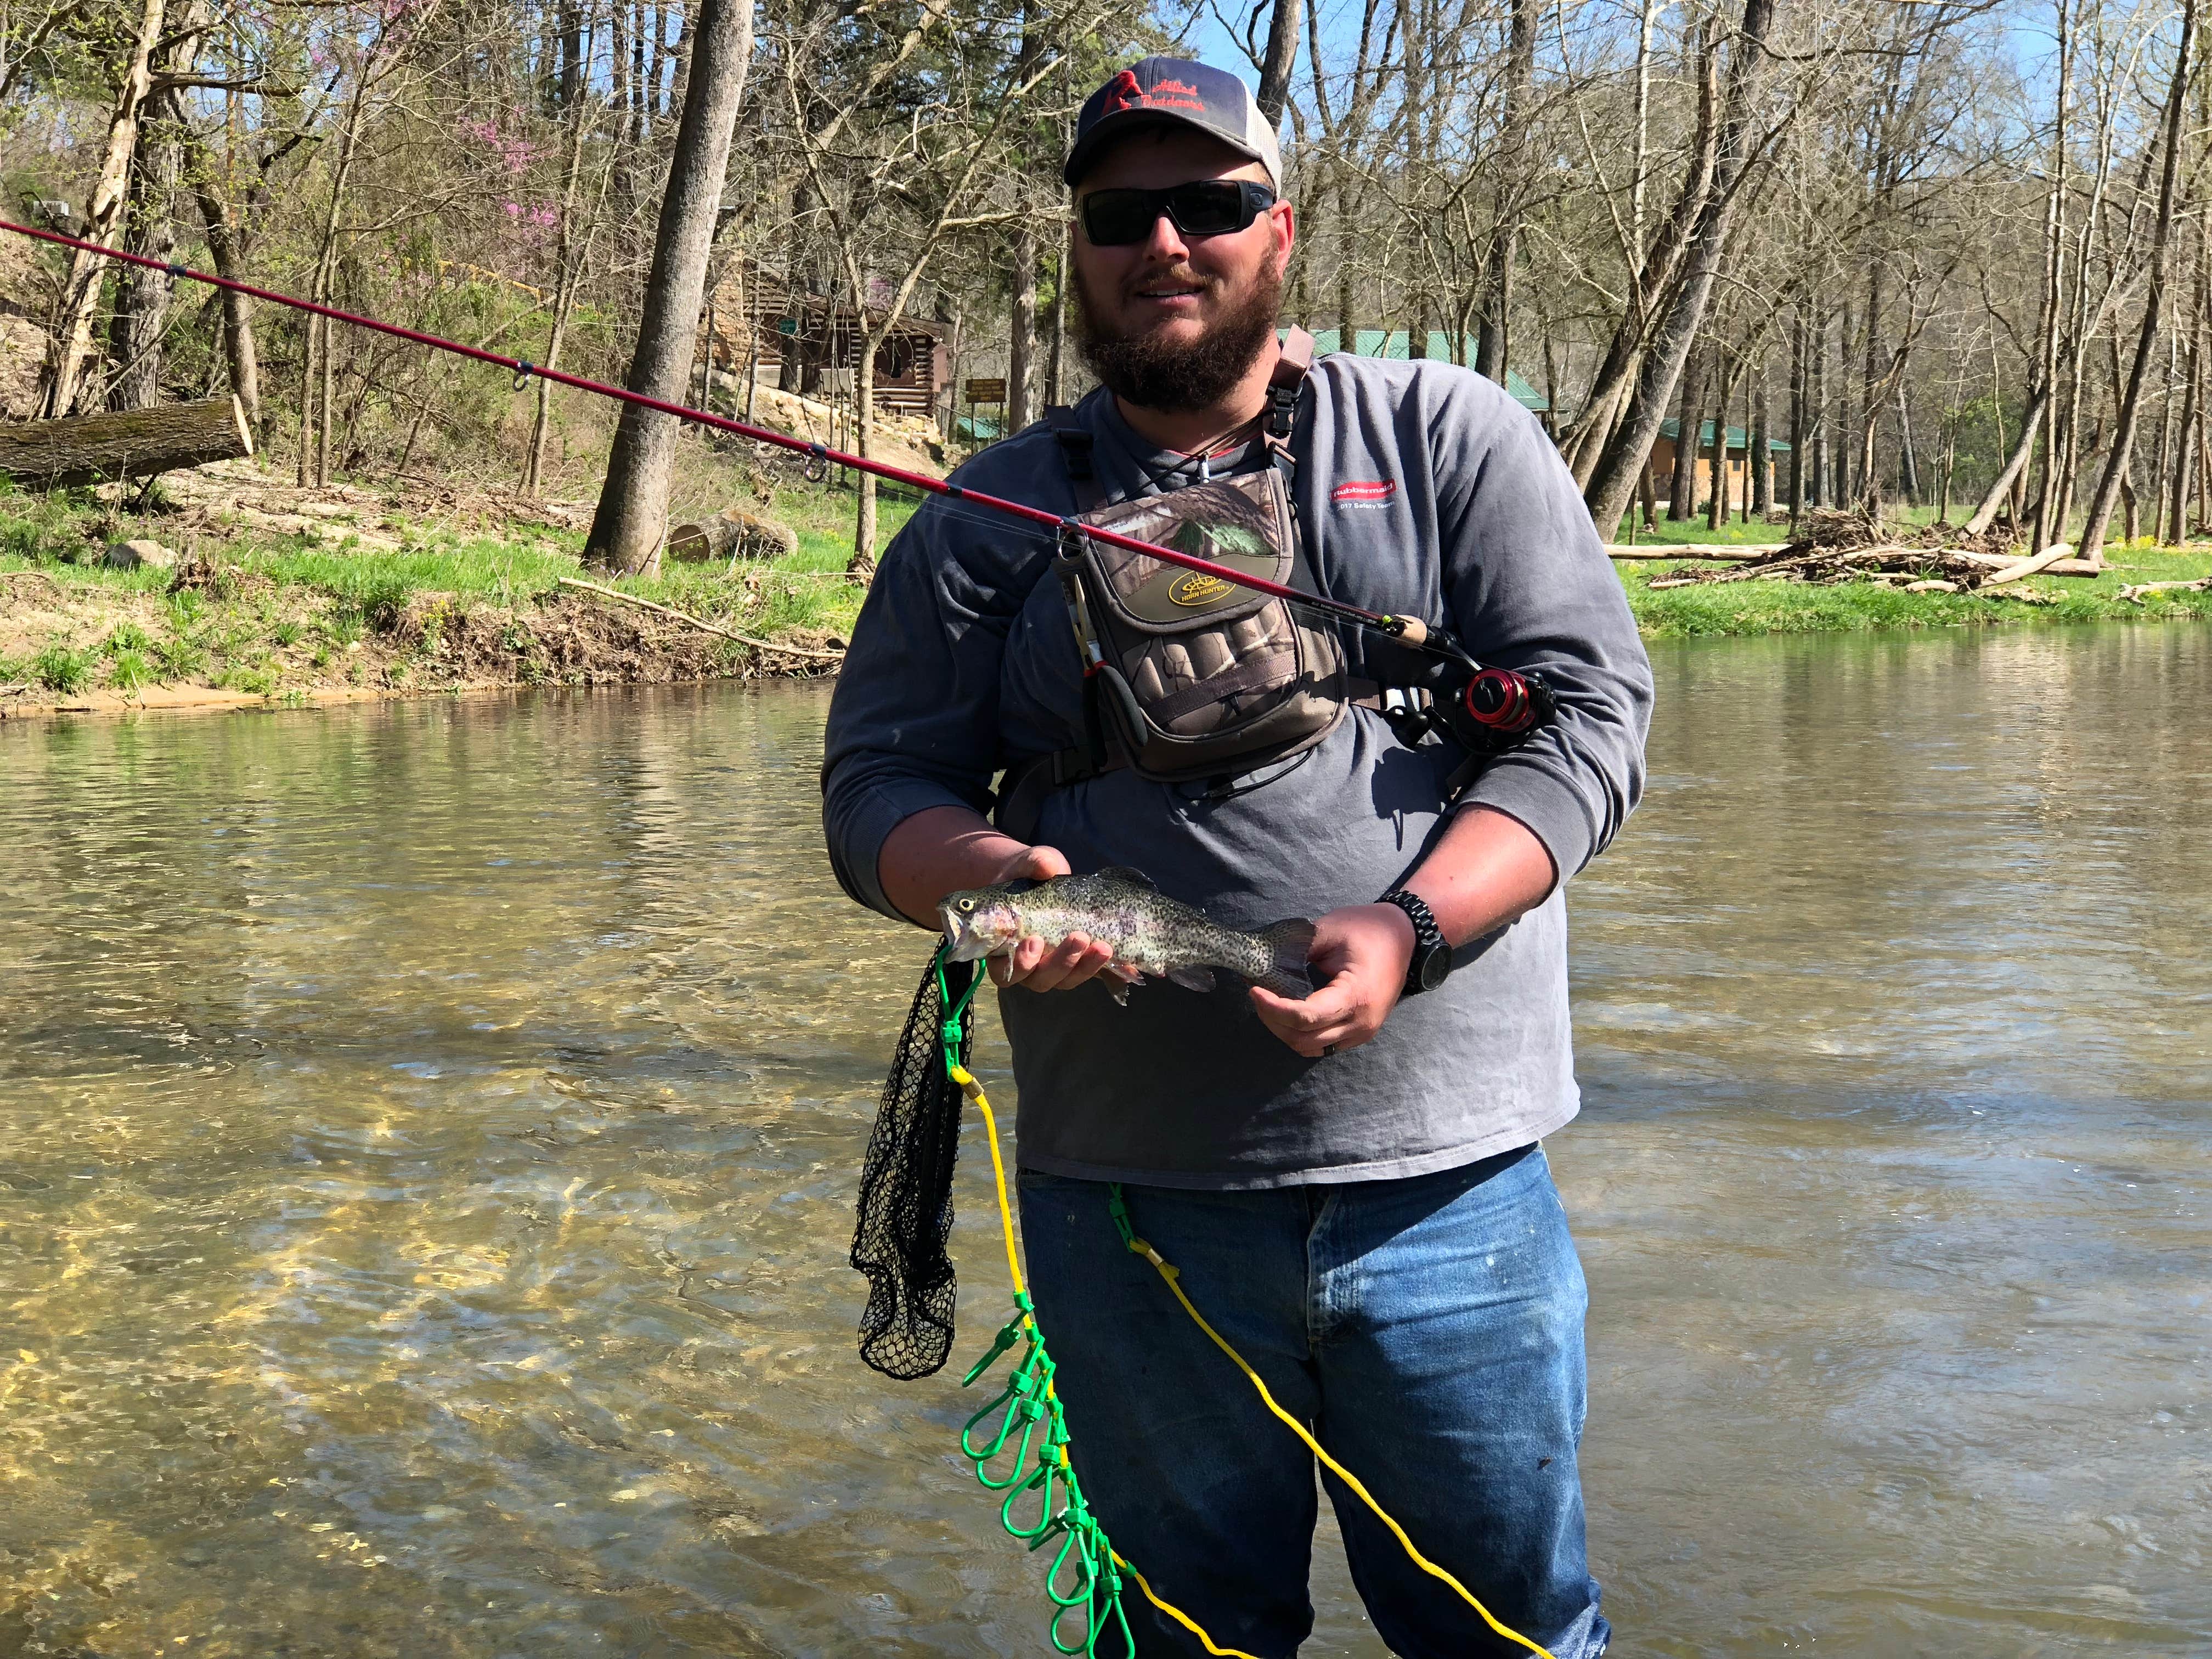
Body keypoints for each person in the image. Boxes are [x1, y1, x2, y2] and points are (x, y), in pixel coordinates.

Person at [822, 55, 1649, 1659]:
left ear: (1284, 232)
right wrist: (985, 880)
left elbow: (1592, 722)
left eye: (1211, 205)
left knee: (1515, 1633)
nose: (1167, 242)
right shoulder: (981, 520)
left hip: (1451, 1191)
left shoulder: (1446, 434)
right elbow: (877, 790)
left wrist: (1414, 922)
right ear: (1075, 247)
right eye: (1124, 212)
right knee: (1190, 1636)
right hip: (1123, 1213)